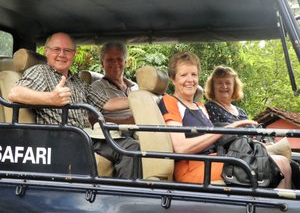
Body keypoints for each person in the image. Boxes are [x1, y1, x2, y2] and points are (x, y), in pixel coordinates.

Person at [8, 32, 139, 179]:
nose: (62, 54)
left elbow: (107, 103)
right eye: (57, 49)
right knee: (129, 148)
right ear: (46, 51)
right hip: (59, 138)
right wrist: (51, 98)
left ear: (74, 54)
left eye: (68, 51)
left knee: (131, 147)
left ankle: (124, 196)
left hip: (84, 136)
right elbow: (15, 93)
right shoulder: (40, 71)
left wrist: (140, 99)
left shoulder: (75, 80)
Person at [158, 51, 258, 184]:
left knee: (280, 163)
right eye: (183, 75)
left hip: (214, 158)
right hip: (191, 167)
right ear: (173, 79)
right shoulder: (170, 101)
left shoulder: (200, 106)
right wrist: (229, 128)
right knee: (269, 164)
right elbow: (181, 148)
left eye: (194, 74)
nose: (190, 80)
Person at [204, 65, 293, 189]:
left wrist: (265, 142)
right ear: (212, 87)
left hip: (255, 148)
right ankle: (280, 205)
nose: (224, 86)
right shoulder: (210, 107)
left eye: (228, 83)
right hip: (238, 153)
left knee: (294, 165)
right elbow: (221, 136)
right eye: (219, 83)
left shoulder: (240, 111)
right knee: (283, 164)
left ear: (234, 86)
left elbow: (255, 130)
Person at [91, 42, 138, 124]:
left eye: (119, 59)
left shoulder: (135, 87)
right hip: (114, 135)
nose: (115, 63)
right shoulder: (96, 88)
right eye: (110, 60)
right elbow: (91, 119)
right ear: (102, 63)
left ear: (125, 62)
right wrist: (125, 122)